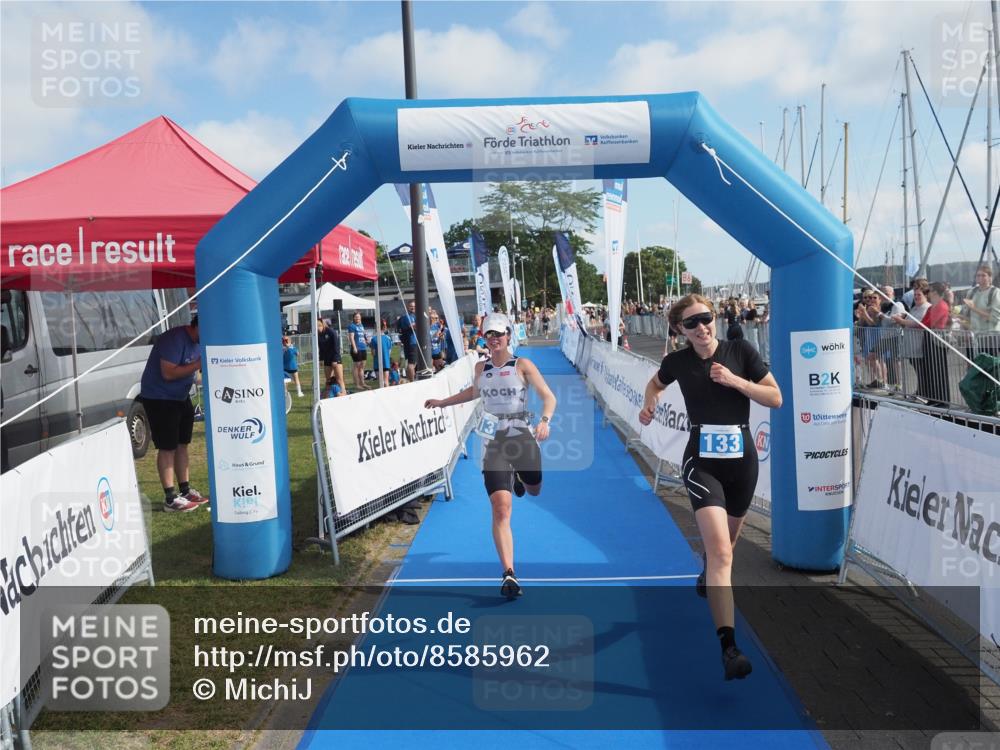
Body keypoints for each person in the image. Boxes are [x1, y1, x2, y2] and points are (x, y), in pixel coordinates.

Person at [638, 294, 782, 681]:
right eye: (692, 323)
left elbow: (776, 397)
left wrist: (735, 381)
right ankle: (729, 646)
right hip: (701, 462)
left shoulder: (741, 350)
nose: (702, 327)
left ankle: (708, 572)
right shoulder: (678, 362)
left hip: (743, 463)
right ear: (680, 330)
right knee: (721, 553)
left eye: (706, 318)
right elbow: (654, 385)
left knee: (726, 548)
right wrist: (649, 405)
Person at [424, 313, 556, 600]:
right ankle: (509, 572)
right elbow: (474, 391)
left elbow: (549, 396)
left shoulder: (522, 365)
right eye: (489, 335)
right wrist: (442, 403)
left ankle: (522, 478)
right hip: (492, 441)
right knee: (500, 509)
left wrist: (545, 420)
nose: (494, 339)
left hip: (521, 437)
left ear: (508, 335)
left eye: (499, 334)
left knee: (534, 489)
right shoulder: (481, 367)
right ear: (484, 338)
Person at [139, 316, 208, 512]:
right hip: (159, 398)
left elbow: (197, 373)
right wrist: (197, 364)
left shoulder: (198, 342)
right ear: (198, 325)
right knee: (167, 447)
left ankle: (185, 491)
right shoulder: (174, 339)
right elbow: (168, 373)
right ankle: (170, 498)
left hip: (180, 397)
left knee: (182, 444)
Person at [962, 265, 1000, 356]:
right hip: (973, 336)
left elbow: (994, 318)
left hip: (990, 335)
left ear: (990, 277)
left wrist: (973, 308)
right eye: (978, 275)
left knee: (989, 366)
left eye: (983, 275)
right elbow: (967, 315)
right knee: (973, 365)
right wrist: (965, 329)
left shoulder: (995, 292)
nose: (980, 277)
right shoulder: (971, 292)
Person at [317, 317, 345, 394]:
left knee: (339, 380)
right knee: (328, 380)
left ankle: (343, 393)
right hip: (327, 359)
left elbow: (336, 346)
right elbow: (320, 349)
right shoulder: (318, 335)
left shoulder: (331, 332)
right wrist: (321, 359)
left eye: (319, 325)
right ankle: (328, 396)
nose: (318, 328)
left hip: (335, 358)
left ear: (323, 324)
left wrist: (335, 359)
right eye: (316, 326)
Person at [397, 301, 418, 382]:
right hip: (411, 343)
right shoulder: (407, 317)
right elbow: (412, 326)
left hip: (414, 342)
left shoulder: (414, 316)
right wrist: (422, 321)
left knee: (413, 362)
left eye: (414, 306)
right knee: (411, 363)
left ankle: (410, 379)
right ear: (407, 307)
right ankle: (411, 381)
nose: (413, 308)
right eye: (411, 306)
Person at [347, 312, 370, 391]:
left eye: (359, 317)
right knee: (356, 367)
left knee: (362, 366)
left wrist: (366, 340)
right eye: (356, 317)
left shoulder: (361, 325)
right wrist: (354, 347)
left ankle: (363, 383)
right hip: (357, 348)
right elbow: (351, 338)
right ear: (353, 318)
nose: (358, 318)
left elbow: (363, 334)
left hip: (363, 348)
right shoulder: (352, 326)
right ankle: (357, 384)